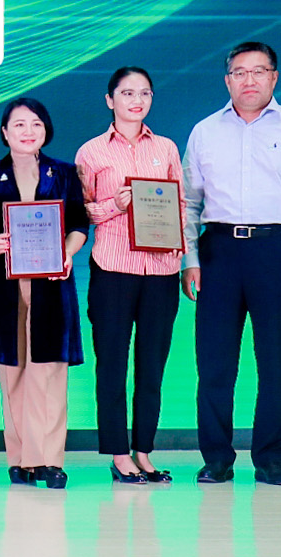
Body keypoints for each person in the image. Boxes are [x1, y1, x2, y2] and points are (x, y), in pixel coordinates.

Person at [182, 42, 281, 487]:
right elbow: (188, 203)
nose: (250, 80)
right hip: (218, 252)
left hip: (277, 250)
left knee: (277, 363)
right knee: (214, 364)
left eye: (259, 71)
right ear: (227, 80)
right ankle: (216, 459)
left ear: (274, 77)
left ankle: (271, 461)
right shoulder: (204, 131)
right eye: (240, 72)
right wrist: (190, 259)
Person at [0, 97, 89, 489]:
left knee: (49, 371)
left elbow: (79, 224)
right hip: (3, 285)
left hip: (51, 283)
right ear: (4, 132)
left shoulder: (64, 172)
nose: (28, 131)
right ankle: (20, 459)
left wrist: (67, 253)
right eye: (19, 124)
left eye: (36, 123)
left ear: (46, 130)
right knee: (13, 371)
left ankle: (50, 460)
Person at [75, 66, 185, 484]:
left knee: (153, 365)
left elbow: (180, 204)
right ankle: (119, 455)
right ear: (110, 100)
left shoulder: (167, 148)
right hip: (113, 268)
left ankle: (144, 451)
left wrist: (179, 243)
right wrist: (115, 206)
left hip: (161, 269)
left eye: (144, 93)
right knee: (112, 364)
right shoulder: (91, 152)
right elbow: (82, 211)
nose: (136, 101)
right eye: (127, 93)